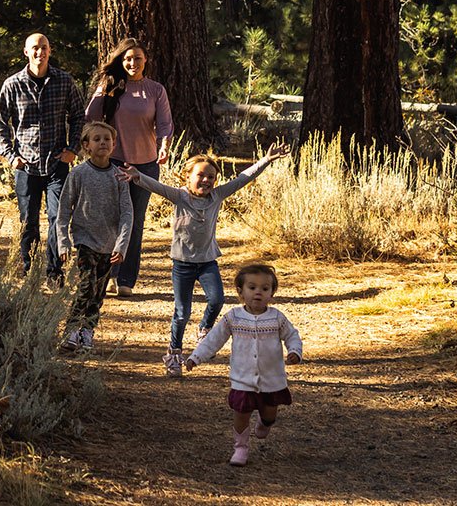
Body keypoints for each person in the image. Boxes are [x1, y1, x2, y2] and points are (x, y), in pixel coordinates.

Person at [116, 142, 290, 377]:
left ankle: (205, 328)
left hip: (208, 261)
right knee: (181, 312)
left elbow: (242, 178)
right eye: (200, 175)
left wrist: (266, 160)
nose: (206, 180)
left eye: (211, 177)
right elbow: (156, 186)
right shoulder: (179, 195)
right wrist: (138, 176)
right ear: (188, 177)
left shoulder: (216, 196)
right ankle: (175, 353)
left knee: (217, 299)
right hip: (182, 264)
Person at [185, 264, 302, 467]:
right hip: (242, 379)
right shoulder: (233, 318)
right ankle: (240, 447)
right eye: (252, 287)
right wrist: (196, 357)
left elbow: (292, 335)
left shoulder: (276, 318)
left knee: (269, 414)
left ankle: (265, 423)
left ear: (272, 293)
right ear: (240, 291)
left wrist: (294, 352)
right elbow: (214, 339)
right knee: (241, 414)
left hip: (271, 379)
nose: (258, 292)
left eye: (265, 289)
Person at [0, 33, 85, 283]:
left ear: (50, 50)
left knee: (58, 219)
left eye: (44, 47)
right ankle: (29, 269)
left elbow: (78, 115)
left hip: (57, 164)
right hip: (26, 165)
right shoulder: (13, 84)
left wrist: (72, 149)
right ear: (26, 52)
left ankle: (54, 272)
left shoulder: (64, 81)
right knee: (28, 221)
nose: (39, 52)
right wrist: (10, 155)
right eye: (35, 48)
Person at [86, 38, 173, 297]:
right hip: (111, 162)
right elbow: (90, 116)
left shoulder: (155, 90)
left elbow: (165, 124)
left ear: (145, 60)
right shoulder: (111, 86)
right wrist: (97, 142)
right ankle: (105, 274)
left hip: (145, 164)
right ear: (120, 62)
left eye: (137, 58)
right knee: (109, 220)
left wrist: (164, 146)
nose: (132, 63)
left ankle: (125, 278)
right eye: (127, 59)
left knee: (134, 221)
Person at [56, 122, 133, 351]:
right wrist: (63, 242)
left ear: (114, 144)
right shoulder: (79, 174)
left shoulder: (119, 176)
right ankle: (70, 331)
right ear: (86, 146)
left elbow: (127, 213)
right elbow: (63, 211)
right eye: (97, 139)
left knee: (98, 292)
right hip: (84, 241)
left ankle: (87, 332)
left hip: (108, 245)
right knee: (86, 286)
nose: (102, 143)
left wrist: (121, 245)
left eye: (107, 139)